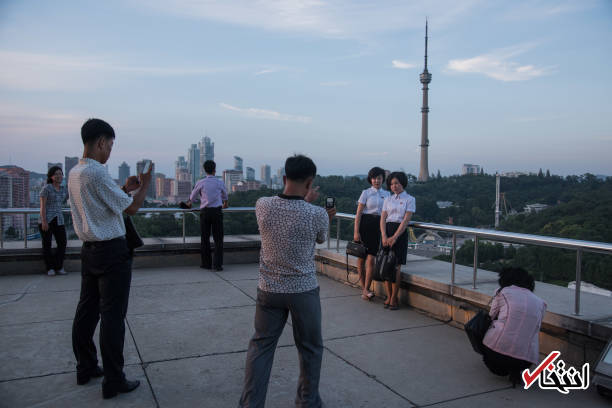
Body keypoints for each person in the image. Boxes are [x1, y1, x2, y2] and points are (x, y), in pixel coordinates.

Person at [239, 154, 336, 408]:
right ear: (310, 182)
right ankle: (308, 402)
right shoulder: (316, 214)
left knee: (260, 347)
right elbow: (321, 239)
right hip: (303, 290)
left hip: (269, 289)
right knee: (310, 349)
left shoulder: (262, 205)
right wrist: (324, 213)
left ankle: (251, 404)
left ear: (284, 177)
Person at [69, 118, 151, 399]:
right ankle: (114, 380)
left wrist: (125, 188)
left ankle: (86, 366)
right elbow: (131, 210)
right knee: (113, 317)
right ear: (101, 142)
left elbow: (105, 201)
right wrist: (145, 186)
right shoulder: (97, 172)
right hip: (112, 253)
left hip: (89, 251)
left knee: (86, 311)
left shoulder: (75, 172)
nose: (110, 150)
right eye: (111, 145)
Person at [482, 267, 547, 386]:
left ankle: (497, 361)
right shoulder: (541, 303)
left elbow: (491, 316)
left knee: (487, 326)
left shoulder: (503, 292)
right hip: (525, 360)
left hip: (496, 356)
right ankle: (516, 372)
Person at [380, 171, 415, 310]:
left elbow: (406, 220)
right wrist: (384, 236)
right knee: (384, 263)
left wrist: (394, 237)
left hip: (399, 233)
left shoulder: (409, 199)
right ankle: (388, 296)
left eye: (397, 183)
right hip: (386, 231)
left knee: (396, 266)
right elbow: (382, 218)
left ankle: (394, 298)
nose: (394, 186)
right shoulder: (387, 199)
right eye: (392, 184)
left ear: (403, 183)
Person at [184, 160, 228, 271]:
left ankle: (206, 264)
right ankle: (217, 265)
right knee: (218, 239)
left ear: (204, 170)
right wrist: (225, 204)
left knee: (205, 239)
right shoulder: (219, 182)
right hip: (217, 212)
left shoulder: (201, 182)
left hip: (205, 212)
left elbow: (192, 197)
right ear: (214, 169)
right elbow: (225, 197)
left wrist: (189, 203)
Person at [353, 166, 389, 300]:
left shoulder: (387, 194)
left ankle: (366, 289)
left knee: (371, 258)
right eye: (374, 178)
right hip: (365, 225)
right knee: (361, 259)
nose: (376, 181)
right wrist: (356, 232)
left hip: (378, 226)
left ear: (382, 179)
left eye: (379, 178)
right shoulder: (366, 193)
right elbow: (358, 214)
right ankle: (365, 289)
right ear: (370, 179)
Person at [39, 165, 68, 276]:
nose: (59, 176)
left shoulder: (63, 189)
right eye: (56, 174)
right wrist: (44, 221)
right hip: (47, 219)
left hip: (59, 219)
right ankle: (49, 268)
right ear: (51, 176)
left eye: (60, 174)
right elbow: (43, 207)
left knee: (62, 243)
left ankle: (59, 266)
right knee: (47, 245)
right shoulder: (46, 188)